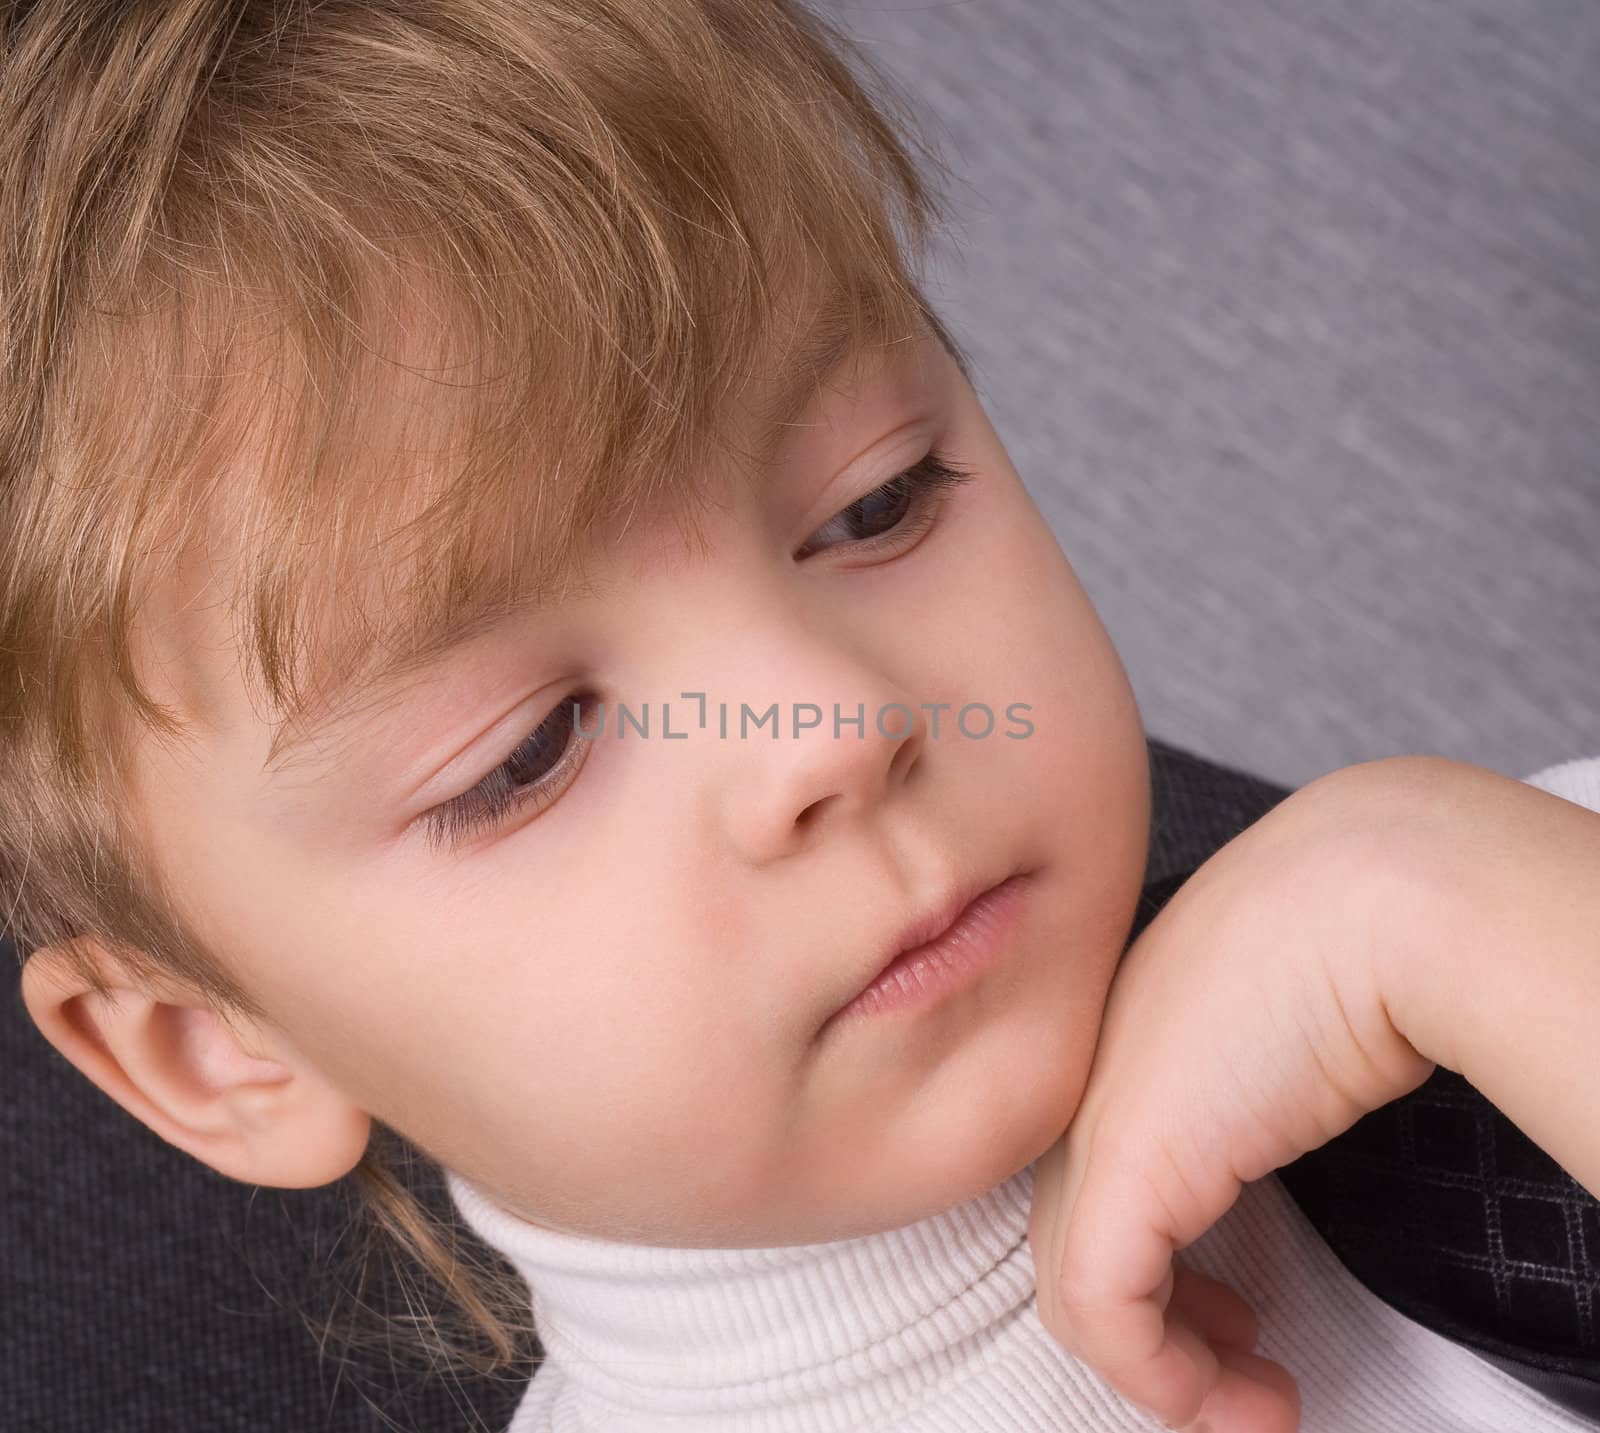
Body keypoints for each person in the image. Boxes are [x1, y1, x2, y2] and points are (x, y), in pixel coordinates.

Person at [2, 3, 1596, 1430]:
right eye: (528, 751)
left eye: (878, 501)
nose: (836, 724)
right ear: (215, 1049)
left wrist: (1462, 911)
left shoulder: (1482, 909)